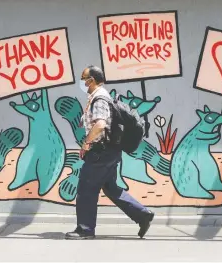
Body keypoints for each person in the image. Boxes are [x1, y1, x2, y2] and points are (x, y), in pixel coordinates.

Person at [65, 65, 155, 240]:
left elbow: (100, 124)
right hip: (109, 152)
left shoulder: (99, 99)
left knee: (86, 189)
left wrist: (86, 144)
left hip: (101, 152)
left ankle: (85, 229)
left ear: (91, 80)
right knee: (110, 188)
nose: (82, 82)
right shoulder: (100, 97)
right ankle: (142, 215)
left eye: (84, 78)